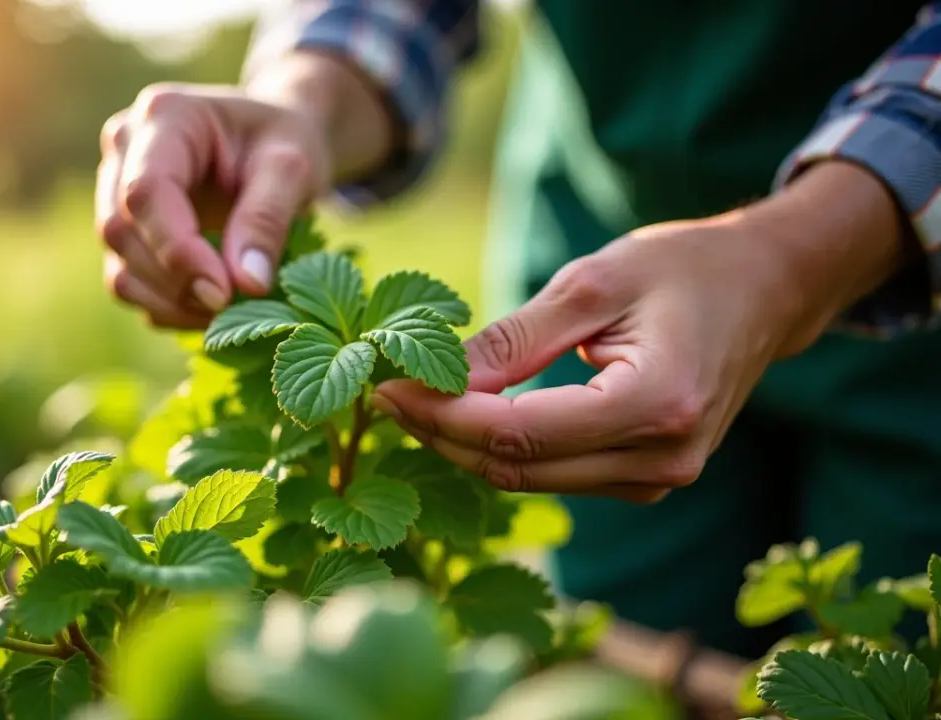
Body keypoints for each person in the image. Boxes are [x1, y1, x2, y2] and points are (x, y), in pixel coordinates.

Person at [94, 0, 941, 659]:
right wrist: (302, 102)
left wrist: (790, 259)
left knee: (890, 641)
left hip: (916, 306)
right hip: (598, 267)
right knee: (622, 627)